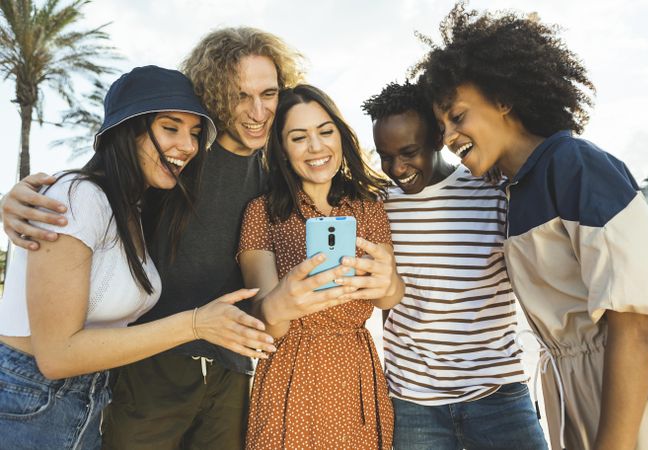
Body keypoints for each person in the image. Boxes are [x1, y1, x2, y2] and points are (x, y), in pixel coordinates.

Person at [0, 28, 323, 449]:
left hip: (229, 367)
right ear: (214, 93)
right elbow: (93, 190)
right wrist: (16, 200)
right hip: (147, 365)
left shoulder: (273, 172)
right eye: (241, 95)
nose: (258, 110)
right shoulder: (174, 163)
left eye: (269, 93)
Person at [418, 5, 648, 450]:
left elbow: (634, 323)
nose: (447, 137)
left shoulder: (574, 165)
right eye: (441, 127)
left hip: (630, 392)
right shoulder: (514, 189)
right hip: (571, 389)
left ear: (503, 100)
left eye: (457, 116)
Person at [361, 81, 547, 450]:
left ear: (437, 137)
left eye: (408, 152)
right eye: (385, 155)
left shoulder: (493, 190)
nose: (396, 168)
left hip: (497, 393)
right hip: (413, 402)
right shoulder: (380, 206)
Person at [237, 84, 405, 449]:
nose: (316, 147)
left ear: (340, 136)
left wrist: (388, 282)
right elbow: (265, 323)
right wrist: (283, 302)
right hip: (289, 372)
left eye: (325, 132)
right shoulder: (261, 212)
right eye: (299, 138)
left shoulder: (368, 207)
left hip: (355, 369)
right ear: (281, 148)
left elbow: (390, 298)